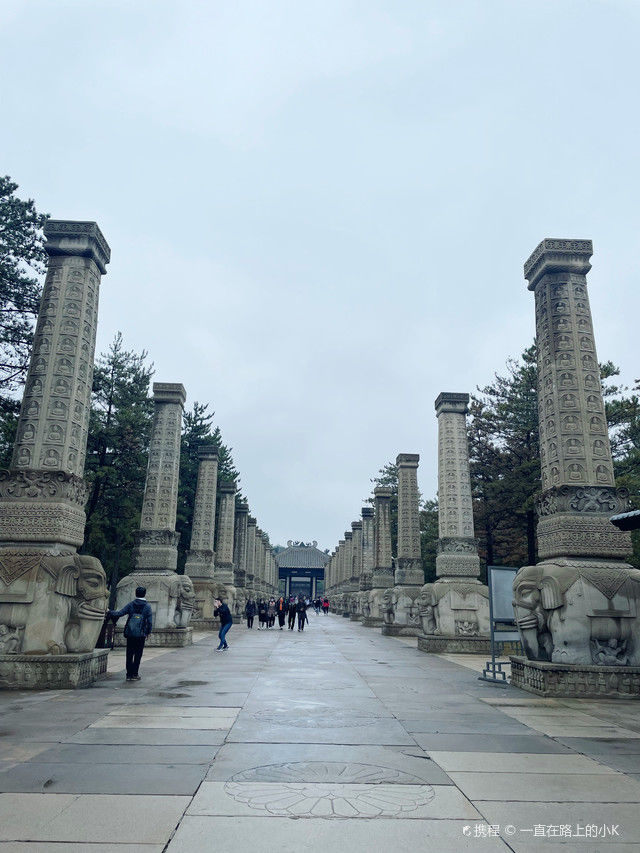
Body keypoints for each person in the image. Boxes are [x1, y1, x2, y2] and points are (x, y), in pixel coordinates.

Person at [108, 585, 153, 681]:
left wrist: (109, 611)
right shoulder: (147, 607)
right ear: (145, 594)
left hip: (130, 633)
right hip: (141, 634)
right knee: (138, 654)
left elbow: (119, 613)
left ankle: (128, 674)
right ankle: (135, 674)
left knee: (129, 654)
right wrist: (148, 632)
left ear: (136, 594)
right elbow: (149, 622)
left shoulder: (131, 604)